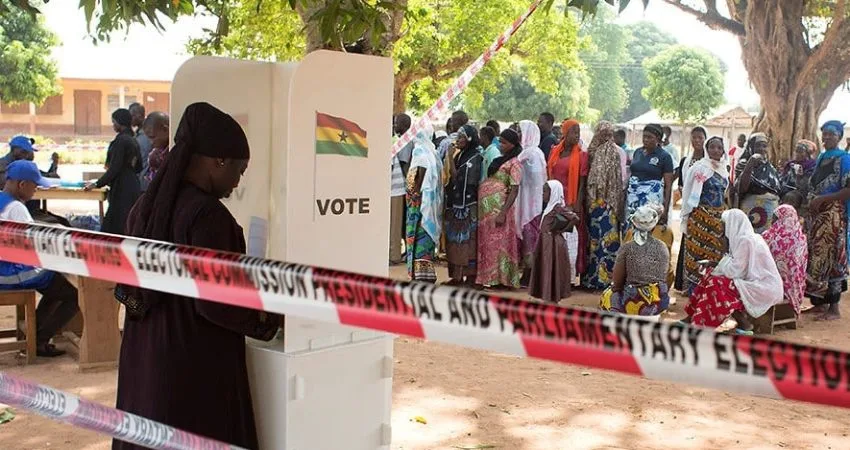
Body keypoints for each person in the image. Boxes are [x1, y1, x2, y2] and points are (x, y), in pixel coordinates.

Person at [113, 102, 280, 450]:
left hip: (146, 351)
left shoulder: (146, 207)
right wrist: (272, 319)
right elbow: (218, 305)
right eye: (239, 168)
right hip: (192, 360)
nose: (238, 180)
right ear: (218, 161)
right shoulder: (208, 217)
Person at [0, 160, 78, 357]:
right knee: (73, 294)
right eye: (35, 186)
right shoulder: (16, 208)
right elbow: (34, 243)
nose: (36, 191)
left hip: (4, 267)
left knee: (54, 284)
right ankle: (40, 341)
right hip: (8, 272)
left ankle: (37, 335)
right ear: (22, 185)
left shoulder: (2, 200)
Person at [683, 209, 783, 334]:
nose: (722, 227)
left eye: (724, 224)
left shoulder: (745, 241)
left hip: (763, 287)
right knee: (711, 276)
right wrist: (713, 264)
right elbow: (735, 266)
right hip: (752, 282)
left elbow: (734, 272)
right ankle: (693, 317)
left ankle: (702, 325)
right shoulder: (743, 239)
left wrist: (722, 249)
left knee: (717, 284)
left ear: (732, 225)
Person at [805, 120, 850, 321]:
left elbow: (847, 190)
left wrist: (822, 199)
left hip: (834, 217)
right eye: (824, 134)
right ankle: (819, 303)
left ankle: (834, 308)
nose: (826, 137)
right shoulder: (822, 157)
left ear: (839, 136)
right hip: (817, 216)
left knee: (834, 257)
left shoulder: (845, 159)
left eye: (831, 134)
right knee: (817, 258)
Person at [599, 204, 670, 318]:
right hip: (658, 300)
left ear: (633, 225)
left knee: (608, 296)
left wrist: (616, 288)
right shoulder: (662, 247)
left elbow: (617, 283)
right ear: (653, 227)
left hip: (634, 300)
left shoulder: (627, 248)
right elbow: (664, 275)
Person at [680, 135, 729, 295]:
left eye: (719, 148)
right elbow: (688, 192)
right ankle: (694, 289)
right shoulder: (699, 168)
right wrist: (687, 214)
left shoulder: (724, 170)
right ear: (707, 150)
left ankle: (709, 288)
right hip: (700, 217)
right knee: (696, 252)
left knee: (714, 253)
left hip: (717, 220)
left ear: (723, 151)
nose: (716, 150)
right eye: (712, 147)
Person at [477, 129, 523, 288]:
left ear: (512, 144)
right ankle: (489, 278)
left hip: (501, 210)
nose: (501, 145)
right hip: (487, 212)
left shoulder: (515, 163)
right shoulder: (502, 159)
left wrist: (503, 212)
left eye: (504, 142)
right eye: (500, 141)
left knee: (500, 244)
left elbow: (515, 189)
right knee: (488, 244)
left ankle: (501, 279)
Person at [85, 109, 142, 235]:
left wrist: (96, 184)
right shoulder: (133, 140)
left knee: (115, 224)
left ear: (119, 123)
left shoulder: (120, 142)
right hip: (132, 184)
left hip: (122, 187)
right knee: (128, 222)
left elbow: (114, 168)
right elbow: (139, 167)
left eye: (114, 122)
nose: (113, 125)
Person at [582, 121, 624, 290]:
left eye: (608, 133)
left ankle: (603, 280)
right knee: (594, 242)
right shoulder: (594, 150)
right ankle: (593, 279)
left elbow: (596, 181)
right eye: (603, 133)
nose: (606, 136)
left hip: (604, 204)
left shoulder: (608, 151)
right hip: (600, 205)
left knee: (604, 242)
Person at [547, 119, 589, 281]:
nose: (577, 135)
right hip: (554, 199)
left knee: (570, 239)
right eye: (573, 131)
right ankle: (553, 272)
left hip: (570, 201)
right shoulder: (554, 152)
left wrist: (577, 204)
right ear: (564, 133)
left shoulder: (581, 155)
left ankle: (568, 276)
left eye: (578, 131)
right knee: (553, 237)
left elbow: (581, 183)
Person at [444, 124, 483, 286]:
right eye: (457, 137)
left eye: (461, 137)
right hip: (457, 206)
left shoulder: (474, 157)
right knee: (455, 242)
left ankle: (470, 277)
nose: (458, 140)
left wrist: (449, 159)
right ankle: (457, 276)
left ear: (469, 139)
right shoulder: (461, 156)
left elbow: (459, 179)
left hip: (468, 207)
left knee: (468, 243)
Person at [529, 180, 579, 303]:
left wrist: (561, 229)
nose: (543, 194)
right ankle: (547, 297)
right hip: (545, 242)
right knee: (545, 268)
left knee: (551, 268)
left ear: (554, 192)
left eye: (545, 191)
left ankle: (552, 298)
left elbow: (575, 218)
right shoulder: (549, 208)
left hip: (552, 244)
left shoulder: (557, 207)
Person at [405, 124, 443, 282]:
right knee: (425, 235)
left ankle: (420, 275)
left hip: (418, 203)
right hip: (427, 203)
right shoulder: (432, 152)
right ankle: (426, 273)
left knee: (418, 235)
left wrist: (415, 192)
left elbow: (421, 171)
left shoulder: (419, 151)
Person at [673, 126, 707, 291]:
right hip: (690, 209)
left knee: (704, 244)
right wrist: (688, 199)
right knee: (688, 243)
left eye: (700, 138)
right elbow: (681, 184)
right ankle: (686, 283)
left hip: (706, 209)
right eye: (694, 138)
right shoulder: (685, 161)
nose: (697, 141)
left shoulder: (711, 161)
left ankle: (701, 284)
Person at [515, 120, 547, 283]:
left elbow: (535, 178)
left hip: (531, 203)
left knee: (530, 236)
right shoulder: (529, 152)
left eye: (520, 132)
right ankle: (527, 273)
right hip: (526, 199)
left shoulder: (532, 154)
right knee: (527, 236)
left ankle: (530, 274)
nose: (518, 135)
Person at [763, 205, 808, 316]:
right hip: (796, 288)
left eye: (775, 218)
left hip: (774, 286)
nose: (773, 221)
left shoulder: (771, 236)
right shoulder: (801, 238)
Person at [627, 123, 674, 227]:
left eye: (649, 137)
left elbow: (668, 186)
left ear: (658, 139)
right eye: (644, 136)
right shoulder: (638, 152)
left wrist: (665, 211)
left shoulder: (665, 157)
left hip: (651, 202)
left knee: (647, 230)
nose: (646, 140)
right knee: (631, 231)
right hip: (633, 199)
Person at [735, 133, 782, 233]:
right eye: (758, 145)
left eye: (764, 146)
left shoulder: (770, 167)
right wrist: (750, 163)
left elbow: (777, 189)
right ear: (750, 146)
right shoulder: (744, 163)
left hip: (770, 210)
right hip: (752, 210)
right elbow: (741, 188)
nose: (761, 149)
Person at [129, 103, 152, 191]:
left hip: (145, 183)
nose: (130, 119)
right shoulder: (137, 134)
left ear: (139, 116)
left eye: (131, 116)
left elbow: (143, 159)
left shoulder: (147, 134)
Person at [142, 112, 170, 183]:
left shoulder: (175, 150)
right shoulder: (155, 154)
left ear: (165, 130)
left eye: (152, 137)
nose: (151, 142)